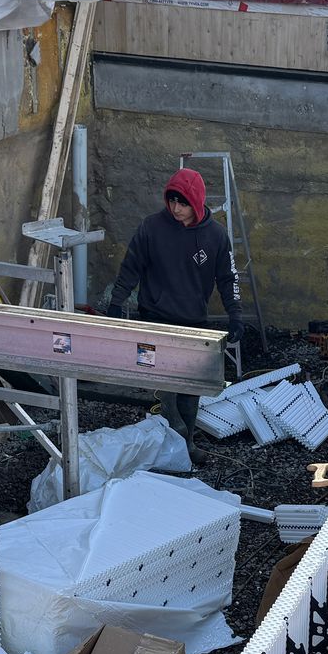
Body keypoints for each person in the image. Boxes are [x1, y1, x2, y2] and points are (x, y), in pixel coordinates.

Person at [102, 167, 243, 445]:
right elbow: (131, 267)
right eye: (172, 201)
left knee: (190, 388)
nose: (176, 208)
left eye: (183, 203)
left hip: (193, 321)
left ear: (197, 202)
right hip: (156, 318)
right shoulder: (151, 228)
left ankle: (185, 445)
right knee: (167, 386)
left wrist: (235, 315)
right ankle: (177, 437)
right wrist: (116, 303)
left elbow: (228, 278)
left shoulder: (215, 236)